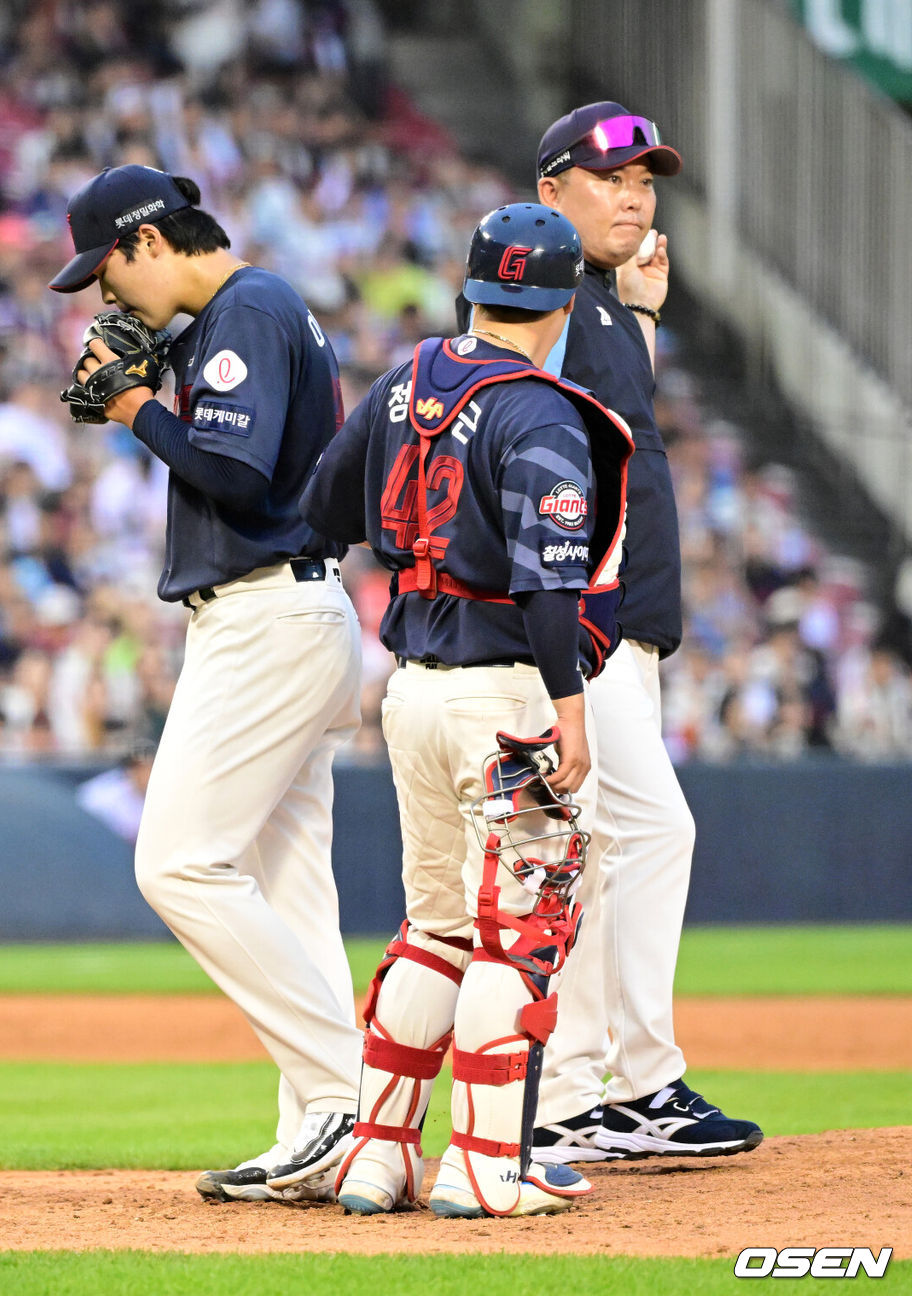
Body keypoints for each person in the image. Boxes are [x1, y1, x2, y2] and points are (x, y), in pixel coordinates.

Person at [300, 204, 632, 1217]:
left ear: (475, 285)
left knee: (434, 929)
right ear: (562, 299)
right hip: (505, 694)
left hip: (411, 689)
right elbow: (547, 584)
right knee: (515, 935)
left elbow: (323, 508)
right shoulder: (539, 410)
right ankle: (487, 1167)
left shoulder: (409, 379)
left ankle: (378, 1154)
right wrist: (569, 711)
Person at [49, 163, 363, 1204]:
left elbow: (231, 473)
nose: (106, 298)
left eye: (108, 271)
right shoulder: (245, 313)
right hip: (290, 611)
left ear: (148, 242)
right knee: (288, 891)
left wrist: (139, 403)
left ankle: (340, 1094)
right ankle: (325, 1127)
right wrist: (158, 391)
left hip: (267, 618)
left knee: (178, 864)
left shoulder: (248, 305)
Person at [526, 103, 763, 1161]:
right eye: (608, 175)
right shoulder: (536, 288)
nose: (632, 194)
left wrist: (645, 317)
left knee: (610, 850)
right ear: (549, 190)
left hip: (628, 620)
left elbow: (608, 431)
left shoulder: (605, 303)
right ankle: (624, 1086)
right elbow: (525, 430)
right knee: (647, 833)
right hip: (585, 617)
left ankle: (586, 1094)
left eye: (644, 181)